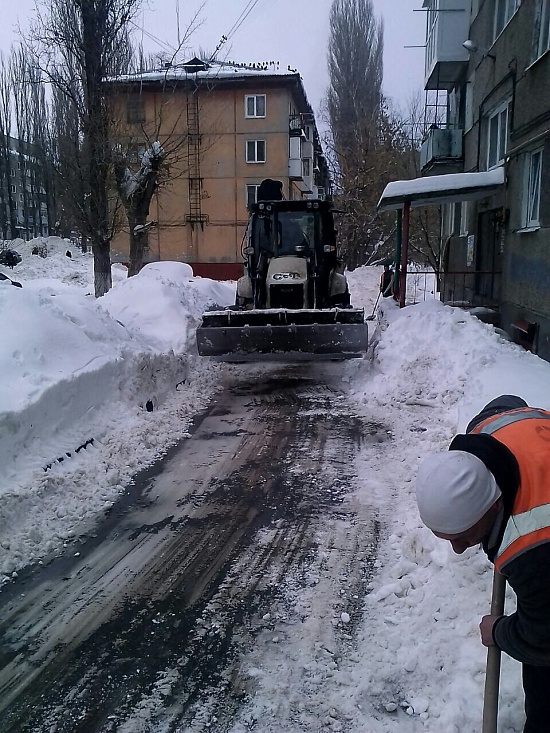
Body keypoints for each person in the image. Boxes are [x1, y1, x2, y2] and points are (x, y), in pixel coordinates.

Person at [415, 395, 550, 733]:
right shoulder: (487, 433)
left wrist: (500, 632)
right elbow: (506, 403)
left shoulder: (531, 549)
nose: (458, 550)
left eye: (462, 536)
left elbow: (542, 637)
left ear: (492, 508)